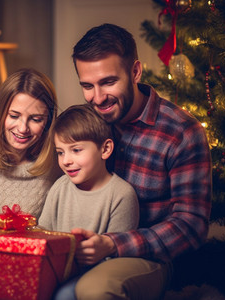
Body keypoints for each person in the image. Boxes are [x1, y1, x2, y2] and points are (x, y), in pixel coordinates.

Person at [68, 23, 212, 299]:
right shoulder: (85, 123)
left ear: (135, 71)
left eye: (108, 82)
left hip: (153, 257)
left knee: (95, 290)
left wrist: (112, 244)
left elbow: (191, 225)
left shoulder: (182, 132)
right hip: (87, 245)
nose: (97, 98)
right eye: (87, 86)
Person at [38, 104, 139, 299]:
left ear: (105, 149)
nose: (66, 160)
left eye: (76, 150)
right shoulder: (60, 186)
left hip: (94, 274)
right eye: (60, 152)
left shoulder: (122, 195)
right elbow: (43, 232)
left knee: (65, 295)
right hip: (57, 270)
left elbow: (118, 259)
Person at [0, 68, 61, 226]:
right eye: (14, 116)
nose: (23, 129)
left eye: (36, 119)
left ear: (48, 122)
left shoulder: (58, 163)